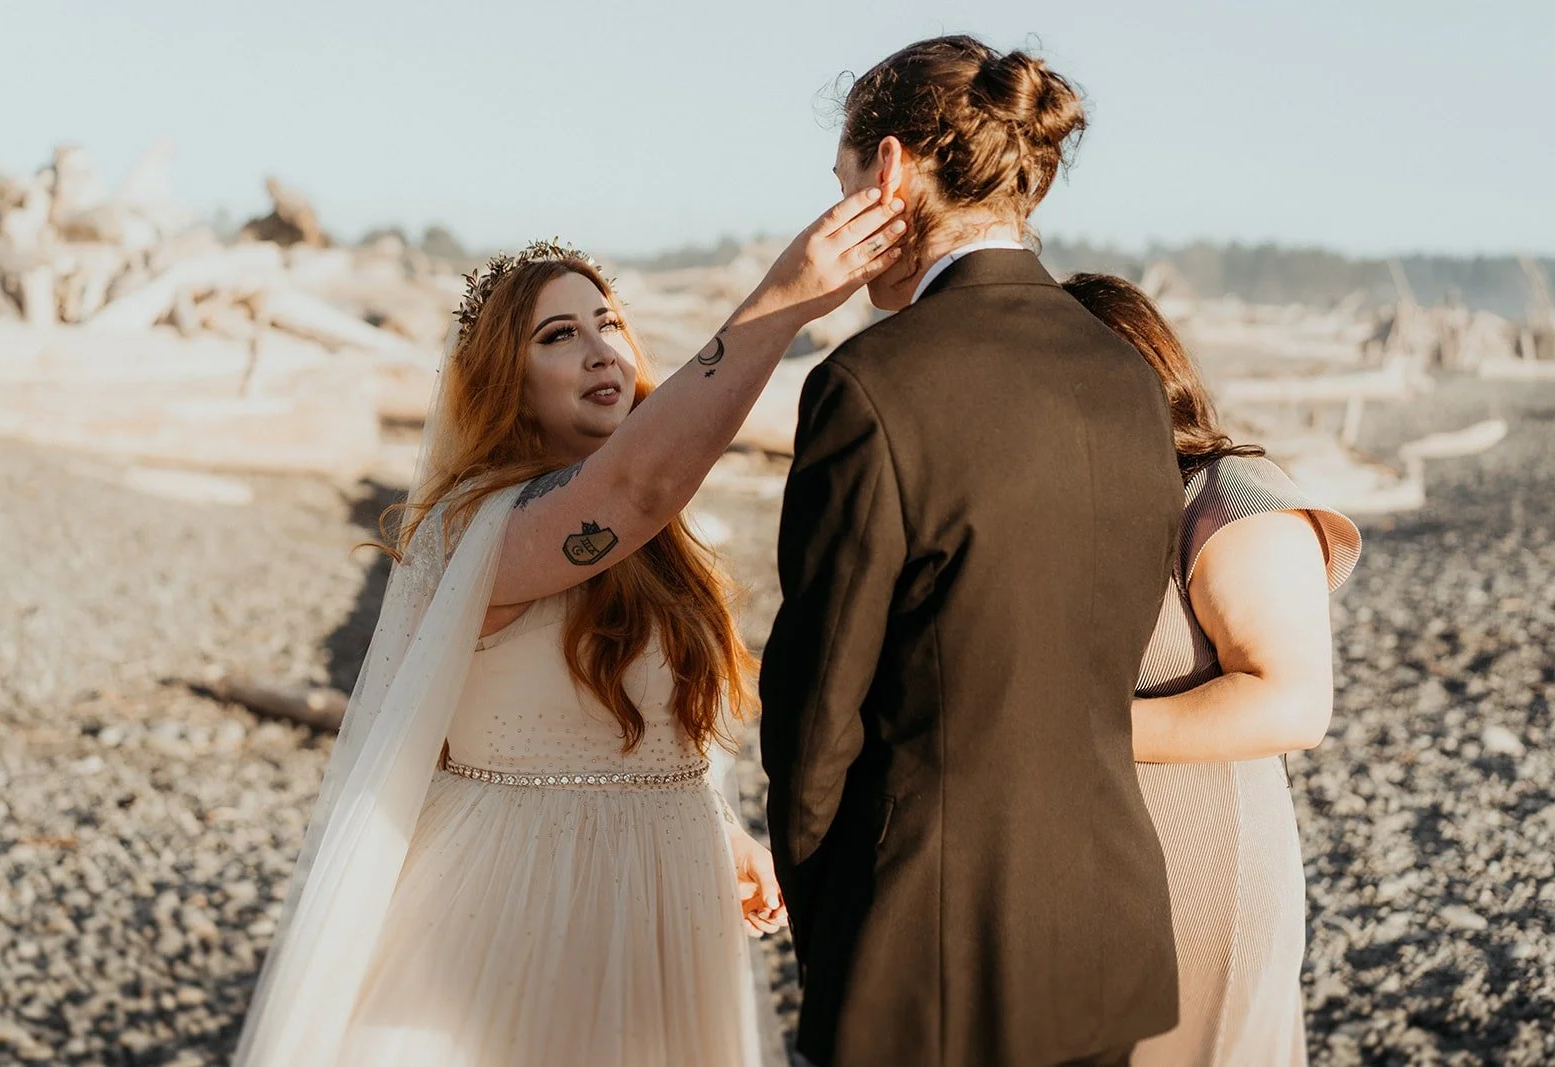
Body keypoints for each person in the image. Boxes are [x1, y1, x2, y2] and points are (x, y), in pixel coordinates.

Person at [231, 192, 907, 1067]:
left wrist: (718, 828)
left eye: (610, 323)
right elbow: (630, 489)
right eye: (558, 336)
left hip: (664, 907)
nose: (601, 351)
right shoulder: (479, 530)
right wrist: (787, 294)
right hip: (516, 906)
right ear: (508, 383)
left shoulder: (660, 546)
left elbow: (653, 719)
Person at [760, 36, 1184, 1067]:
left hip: (926, 947)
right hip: (1105, 922)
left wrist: (830, 926)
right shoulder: (1124, 370)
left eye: (843, 181)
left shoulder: (872, 383)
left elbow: (816, 709)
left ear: (893, 171)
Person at [1061, 273, 1361, 1067]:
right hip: (1084, 877)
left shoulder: (1227, 495)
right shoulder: (1071, 510)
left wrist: (1066, 732)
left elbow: (1291, 701)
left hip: (1203, 877)